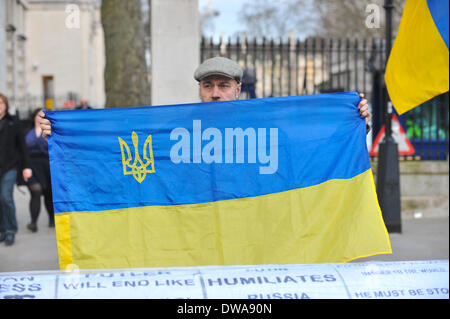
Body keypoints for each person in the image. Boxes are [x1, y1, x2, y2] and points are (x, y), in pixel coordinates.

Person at [38, 56, 371, 139]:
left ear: (238, 89)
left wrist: (356, 120)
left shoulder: (264, 124)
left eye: (223, 86)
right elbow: (114, 140)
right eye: (208, 85)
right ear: (199, 88)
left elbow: (310, 140)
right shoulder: (177, 125)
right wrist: (50, 131)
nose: (214, 94)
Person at [0, 93, 33, 246]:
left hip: (10, 167)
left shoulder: (13, 122)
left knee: (6, 197)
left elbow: (23, 147)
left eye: (1, 103)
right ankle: (2, 229)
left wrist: (26, 166)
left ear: (6, 105)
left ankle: (11, 230)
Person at [24, 108, 54, 232]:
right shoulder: (26, 131)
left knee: (48, 194)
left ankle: (52, 219)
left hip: (47, 164)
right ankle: (33, 222)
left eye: (43, 115)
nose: (41, 116)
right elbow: (22, 150)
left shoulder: (51, 131)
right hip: (31, 165)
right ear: (34, 116)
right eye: (38, 114)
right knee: (35, 192)